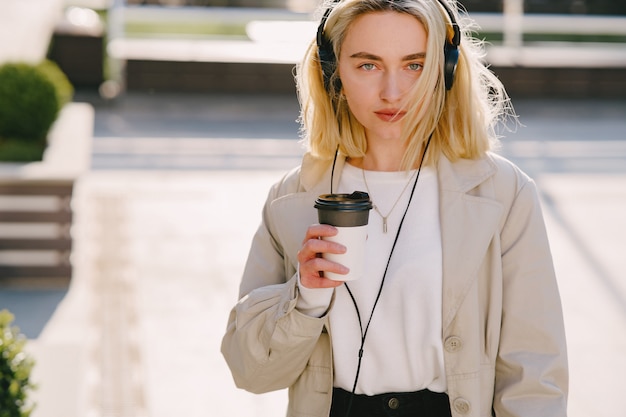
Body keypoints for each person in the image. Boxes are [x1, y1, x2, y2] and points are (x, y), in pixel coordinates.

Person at [221, 0, 569, 416]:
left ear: (446, 70)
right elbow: (250, 372)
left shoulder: (502, 194)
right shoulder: (291, 198)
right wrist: (305, 298)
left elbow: (535, 374)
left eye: (414, 65)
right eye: (368, 65)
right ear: (333, 73)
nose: (392, 91)